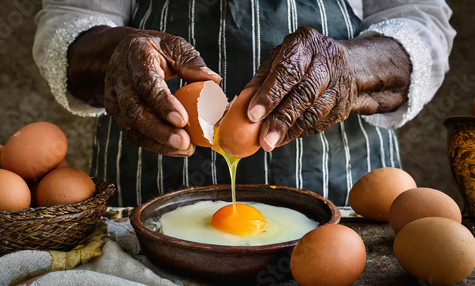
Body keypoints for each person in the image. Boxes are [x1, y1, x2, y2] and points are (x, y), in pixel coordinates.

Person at [33, 0, 455, 207]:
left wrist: (347, 65)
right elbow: (70, 19)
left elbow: (421, 23)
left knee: (331, 255)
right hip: (149, 190)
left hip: (338, 187)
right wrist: (117, 55)